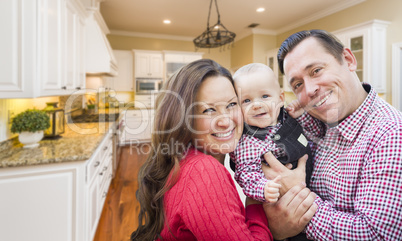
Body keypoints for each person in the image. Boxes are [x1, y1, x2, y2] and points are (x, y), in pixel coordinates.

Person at [130, 59, 317, 241]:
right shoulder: (203, 171)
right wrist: (266, 217)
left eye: (231, 104)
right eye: (208, 110)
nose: (226, 121)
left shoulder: (188, 158)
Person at [262, 29, 402, 240]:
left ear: (348, 59)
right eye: (298, 84)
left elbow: (377, 235)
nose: (309, 90)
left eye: (316, 70)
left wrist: (296, 201)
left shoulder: (390, 134)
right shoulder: (317, 122)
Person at [229, 63, 314, 204]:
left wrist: (300, 115)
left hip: (314, 187)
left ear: (281, 98)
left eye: (265, 96)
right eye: (246, 100)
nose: (256, 105)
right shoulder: (248, 142)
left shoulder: (287, 117)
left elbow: (311, 134)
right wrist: (263, 188)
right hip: (282, 200)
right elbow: (246, 175)